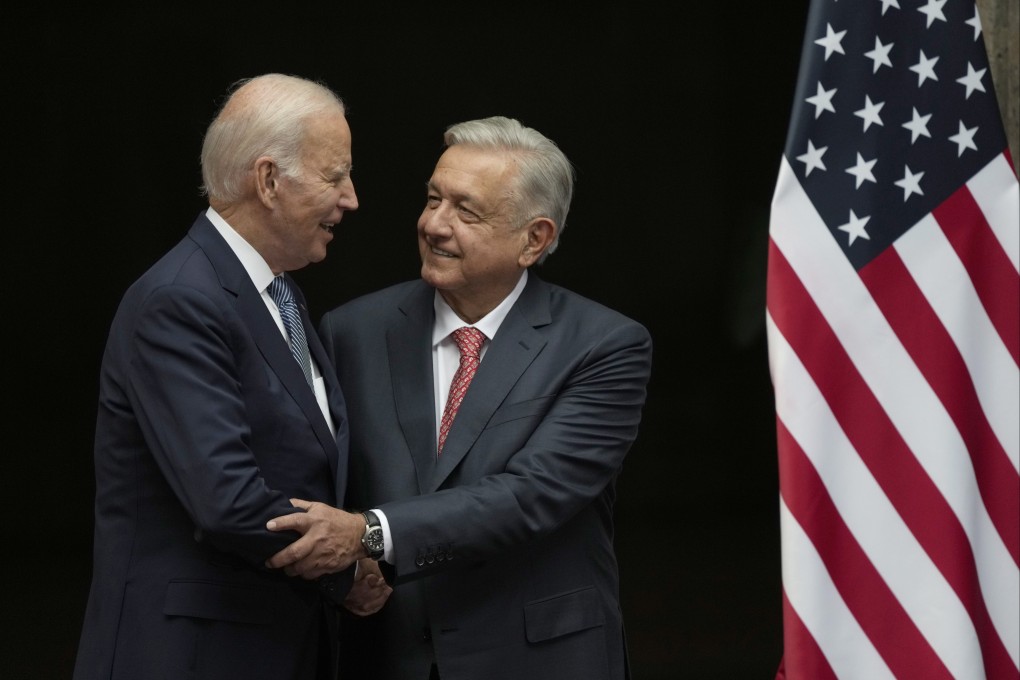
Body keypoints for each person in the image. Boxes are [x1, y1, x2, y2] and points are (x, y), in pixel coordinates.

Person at [267, 115, 653, 680]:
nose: (434, 225)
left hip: (539, 657)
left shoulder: (603, 345)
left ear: (534, 239)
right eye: (432, 199)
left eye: (466, 211)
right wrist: (341, 575)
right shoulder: (352, 331)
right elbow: (316, 478)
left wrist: (368, 534)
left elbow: (532, 494)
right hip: (386, 651)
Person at [73, 73, 387, 680]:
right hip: (192, 653)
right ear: (268, 180)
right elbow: (228, 500)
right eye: (334, 176)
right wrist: (349, 567)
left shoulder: (279, 294)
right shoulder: (179, 300)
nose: (351, 198)